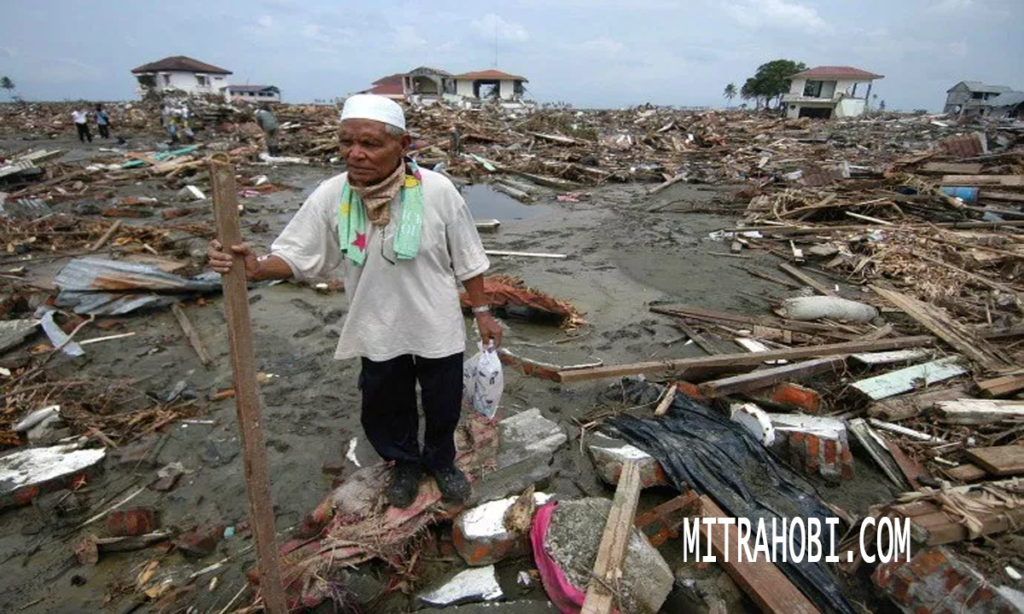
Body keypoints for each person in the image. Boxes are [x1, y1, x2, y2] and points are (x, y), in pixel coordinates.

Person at [207, 95, 502, 508]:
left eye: (370, 143)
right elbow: (296, 254)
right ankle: (403, 464)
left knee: (442, 403)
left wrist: (483, 312)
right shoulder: (334, 195)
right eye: (346, 142)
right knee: (384, 404)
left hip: (436, 322)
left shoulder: (437, 191)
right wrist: (253, 267)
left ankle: (441, 462)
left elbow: (468, 257)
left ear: (403, 144)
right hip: (375, 323)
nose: (355, 154)